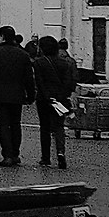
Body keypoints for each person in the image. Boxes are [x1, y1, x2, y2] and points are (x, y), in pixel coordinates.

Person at [0, 26, 36, 166]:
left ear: (3, 37)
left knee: (4, 125)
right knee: (16, 125)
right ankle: (16, 153)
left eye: (0, 35)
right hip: (17, 95)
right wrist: (31, 95)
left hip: (0, 95)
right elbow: (29, 78)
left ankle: (7, 154)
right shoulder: (22, 54)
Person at [33, 34, 78, 170]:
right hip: (61, 99)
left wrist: (47, 96)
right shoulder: (65, 63)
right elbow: (70, 82)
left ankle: (45, 158)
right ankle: (60, 152)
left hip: (44, 99)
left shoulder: (39, 62)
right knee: (59, 127)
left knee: (45, 128)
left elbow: (39, 82)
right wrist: (63, 96)